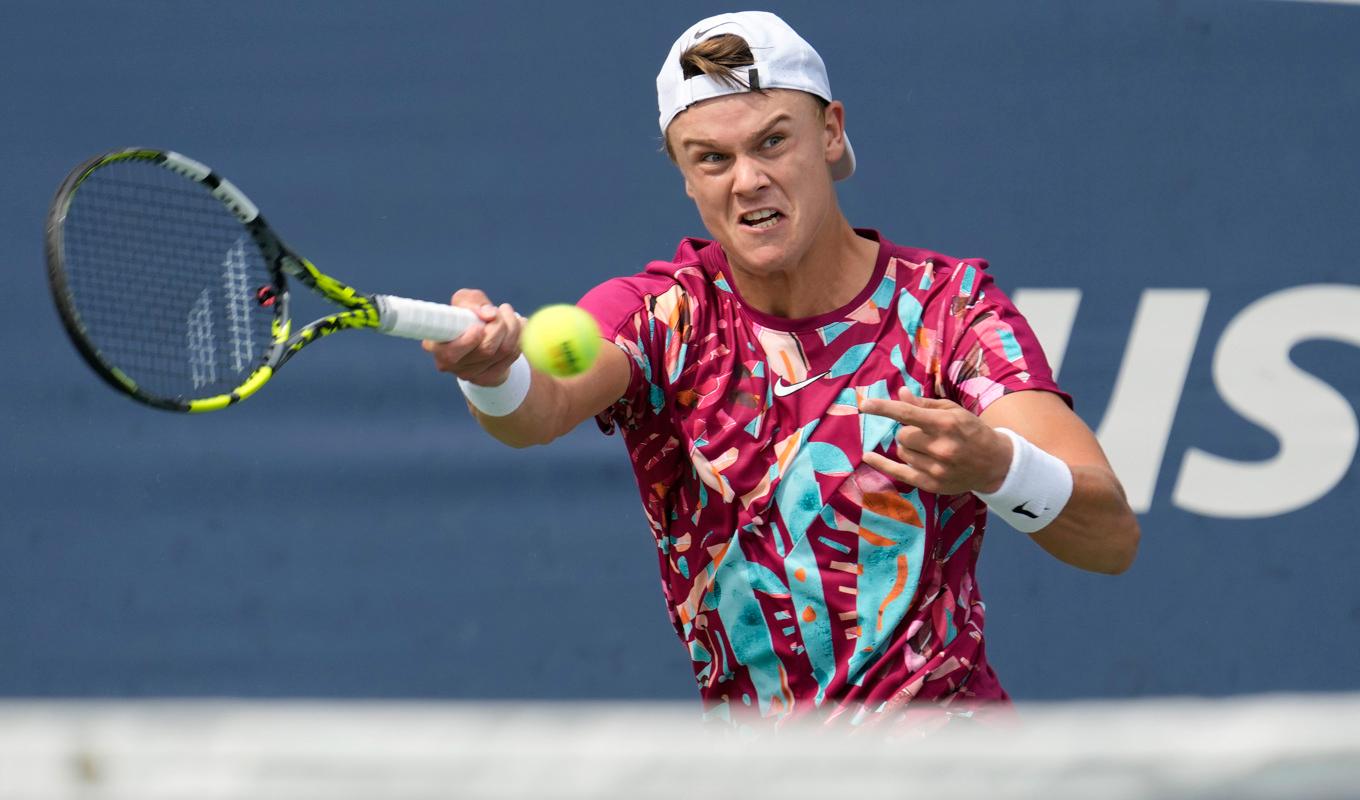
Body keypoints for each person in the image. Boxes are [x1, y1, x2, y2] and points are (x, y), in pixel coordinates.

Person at [423, 11, 1139, 730]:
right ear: (685, 177)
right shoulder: (663, 314)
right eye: (712, 159)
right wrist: (491, 373)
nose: (748, 181)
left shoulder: (949, 311)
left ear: (830, 133)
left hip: (954, 763)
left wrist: (997, 464)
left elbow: (1110, 539)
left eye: (772, 142)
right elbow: (536, 412)